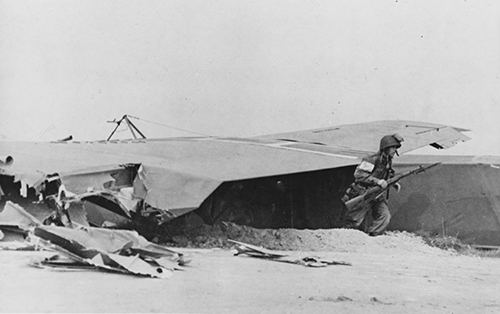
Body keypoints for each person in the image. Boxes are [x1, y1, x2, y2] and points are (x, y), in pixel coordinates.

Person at [342, 134, 403, 236]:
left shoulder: (388, 160)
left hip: (377, 194)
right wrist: (378, 181)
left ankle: (371, 238)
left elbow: (387, 174)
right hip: (363, 192)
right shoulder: (371, 159)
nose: (394, 150)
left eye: (396, 147)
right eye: (393, 147)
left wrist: (393, 183)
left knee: (385, 217)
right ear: (385, 148)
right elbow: (359, 175)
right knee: (354, 221)